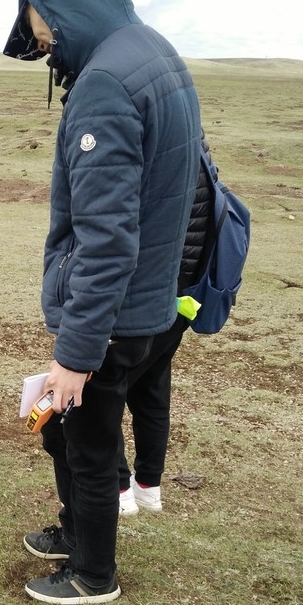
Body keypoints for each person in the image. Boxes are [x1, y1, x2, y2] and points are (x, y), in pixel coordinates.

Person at [4, 0, 203, 605]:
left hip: (114, 317)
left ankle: (93, 575)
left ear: (58, 4)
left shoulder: (104, 87)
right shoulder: (152, 52)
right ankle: (75, 532)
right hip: (151, 302)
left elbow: (106, 238)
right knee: (64, 432)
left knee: (88, 444)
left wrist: (76, 353)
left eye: (30, 12)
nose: (31, 33)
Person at [118, 132, 215, 516]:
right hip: (185, 289)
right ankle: (147, 485)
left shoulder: (160, 141)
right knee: (153, 387)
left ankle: (118, 487)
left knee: (105, 386)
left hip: (150, 289)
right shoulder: (194, 138)